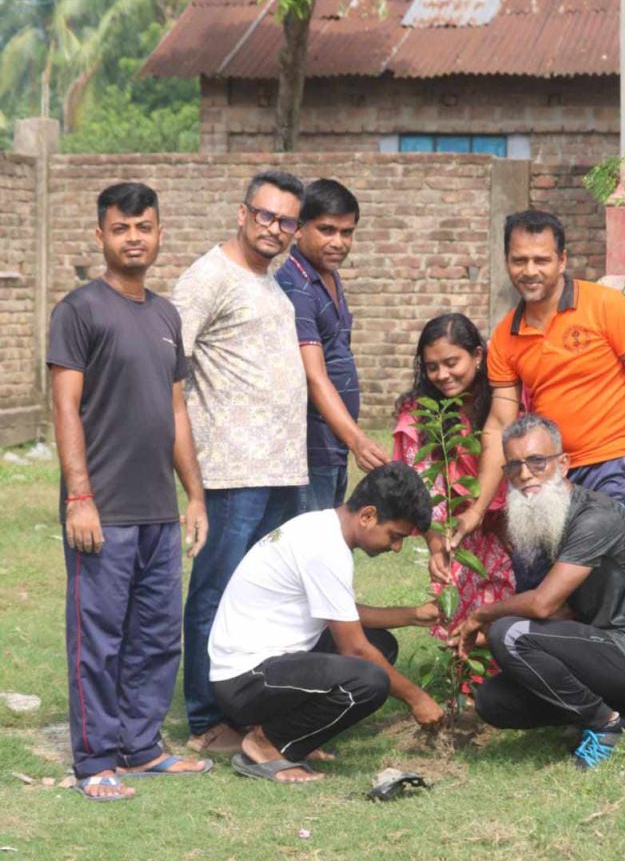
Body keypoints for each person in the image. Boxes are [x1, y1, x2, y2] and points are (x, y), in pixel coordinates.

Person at [48, 182, 210, 803]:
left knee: (157, 634)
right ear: (101, 236)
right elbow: (65, 408)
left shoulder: (166, 315)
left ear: (160, 231)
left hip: (157, 512)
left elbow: (176, 412)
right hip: (103, 511)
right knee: (99, 638)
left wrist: (193, 496)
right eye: (121, 228)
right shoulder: (80, 310)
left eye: (143, 226)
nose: (134, 238)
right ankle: (94, 761)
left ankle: (140, 747)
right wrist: (78, 497)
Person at [172, 169, 309, 755]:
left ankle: (254, 714)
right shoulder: (208, 277)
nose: (275, 228)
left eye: (287, 221)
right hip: (230, 472)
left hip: (282, 470)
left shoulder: (270, 282)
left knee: (264, 600)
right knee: (214, 594)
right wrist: (190, 473)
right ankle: (206, 719)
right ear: (242, 213)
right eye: (266, 216)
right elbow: (166, 371)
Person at [455, 209, 625, 558]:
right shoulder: (505, 338)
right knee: (546, 571)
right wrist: (476, 509)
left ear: (562, 260)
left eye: (541, 260)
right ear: (506, 261)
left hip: (613, 461)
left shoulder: (605, 306)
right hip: (550, 470)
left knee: (605, 569)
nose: (530, 271)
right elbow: (499, 425)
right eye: (520, 260)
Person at [209, 462, 444, 783]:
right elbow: (354, 649)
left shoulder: (320, 528)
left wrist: (413, 615)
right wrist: (417, 698)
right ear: (368, 516)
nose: (396, 547)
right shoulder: (325, 549)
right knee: (369, 678)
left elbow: (342, 612)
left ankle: (293, 735)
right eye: (395, 536)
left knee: (381, 645)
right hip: (245, 679)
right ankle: (267, 744)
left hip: (265, 667)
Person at [458, 414, 625, 769]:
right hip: (596, 645)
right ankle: (621, 711)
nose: (525, 475)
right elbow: (564, 614)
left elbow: (543, 605)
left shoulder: (596, 518)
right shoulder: (549, 517)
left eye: (537, 461)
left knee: (511, 633)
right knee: (494, 701)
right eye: (514, 466)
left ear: (564, 464)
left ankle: (604, 725)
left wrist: (480, 615)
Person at [393, 313, 515, 630]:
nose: (442, 374)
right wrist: (438, 548)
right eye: (432, 366)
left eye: (451, 363)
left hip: (509, 524)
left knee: (510, 608)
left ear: (477, 355)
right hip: (453, 532)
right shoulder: (420, 413)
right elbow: (425, 490)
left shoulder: (503, 400)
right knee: (461, 612)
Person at [275, 178, 389, 511]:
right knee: (309, 550)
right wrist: (358, 441)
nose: (338, 242)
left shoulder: (327, 276)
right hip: (310, 450)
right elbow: (314, 376)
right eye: (326, 230)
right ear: (298, 228)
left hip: (333, 444)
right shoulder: (295, 287)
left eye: (347, 232)